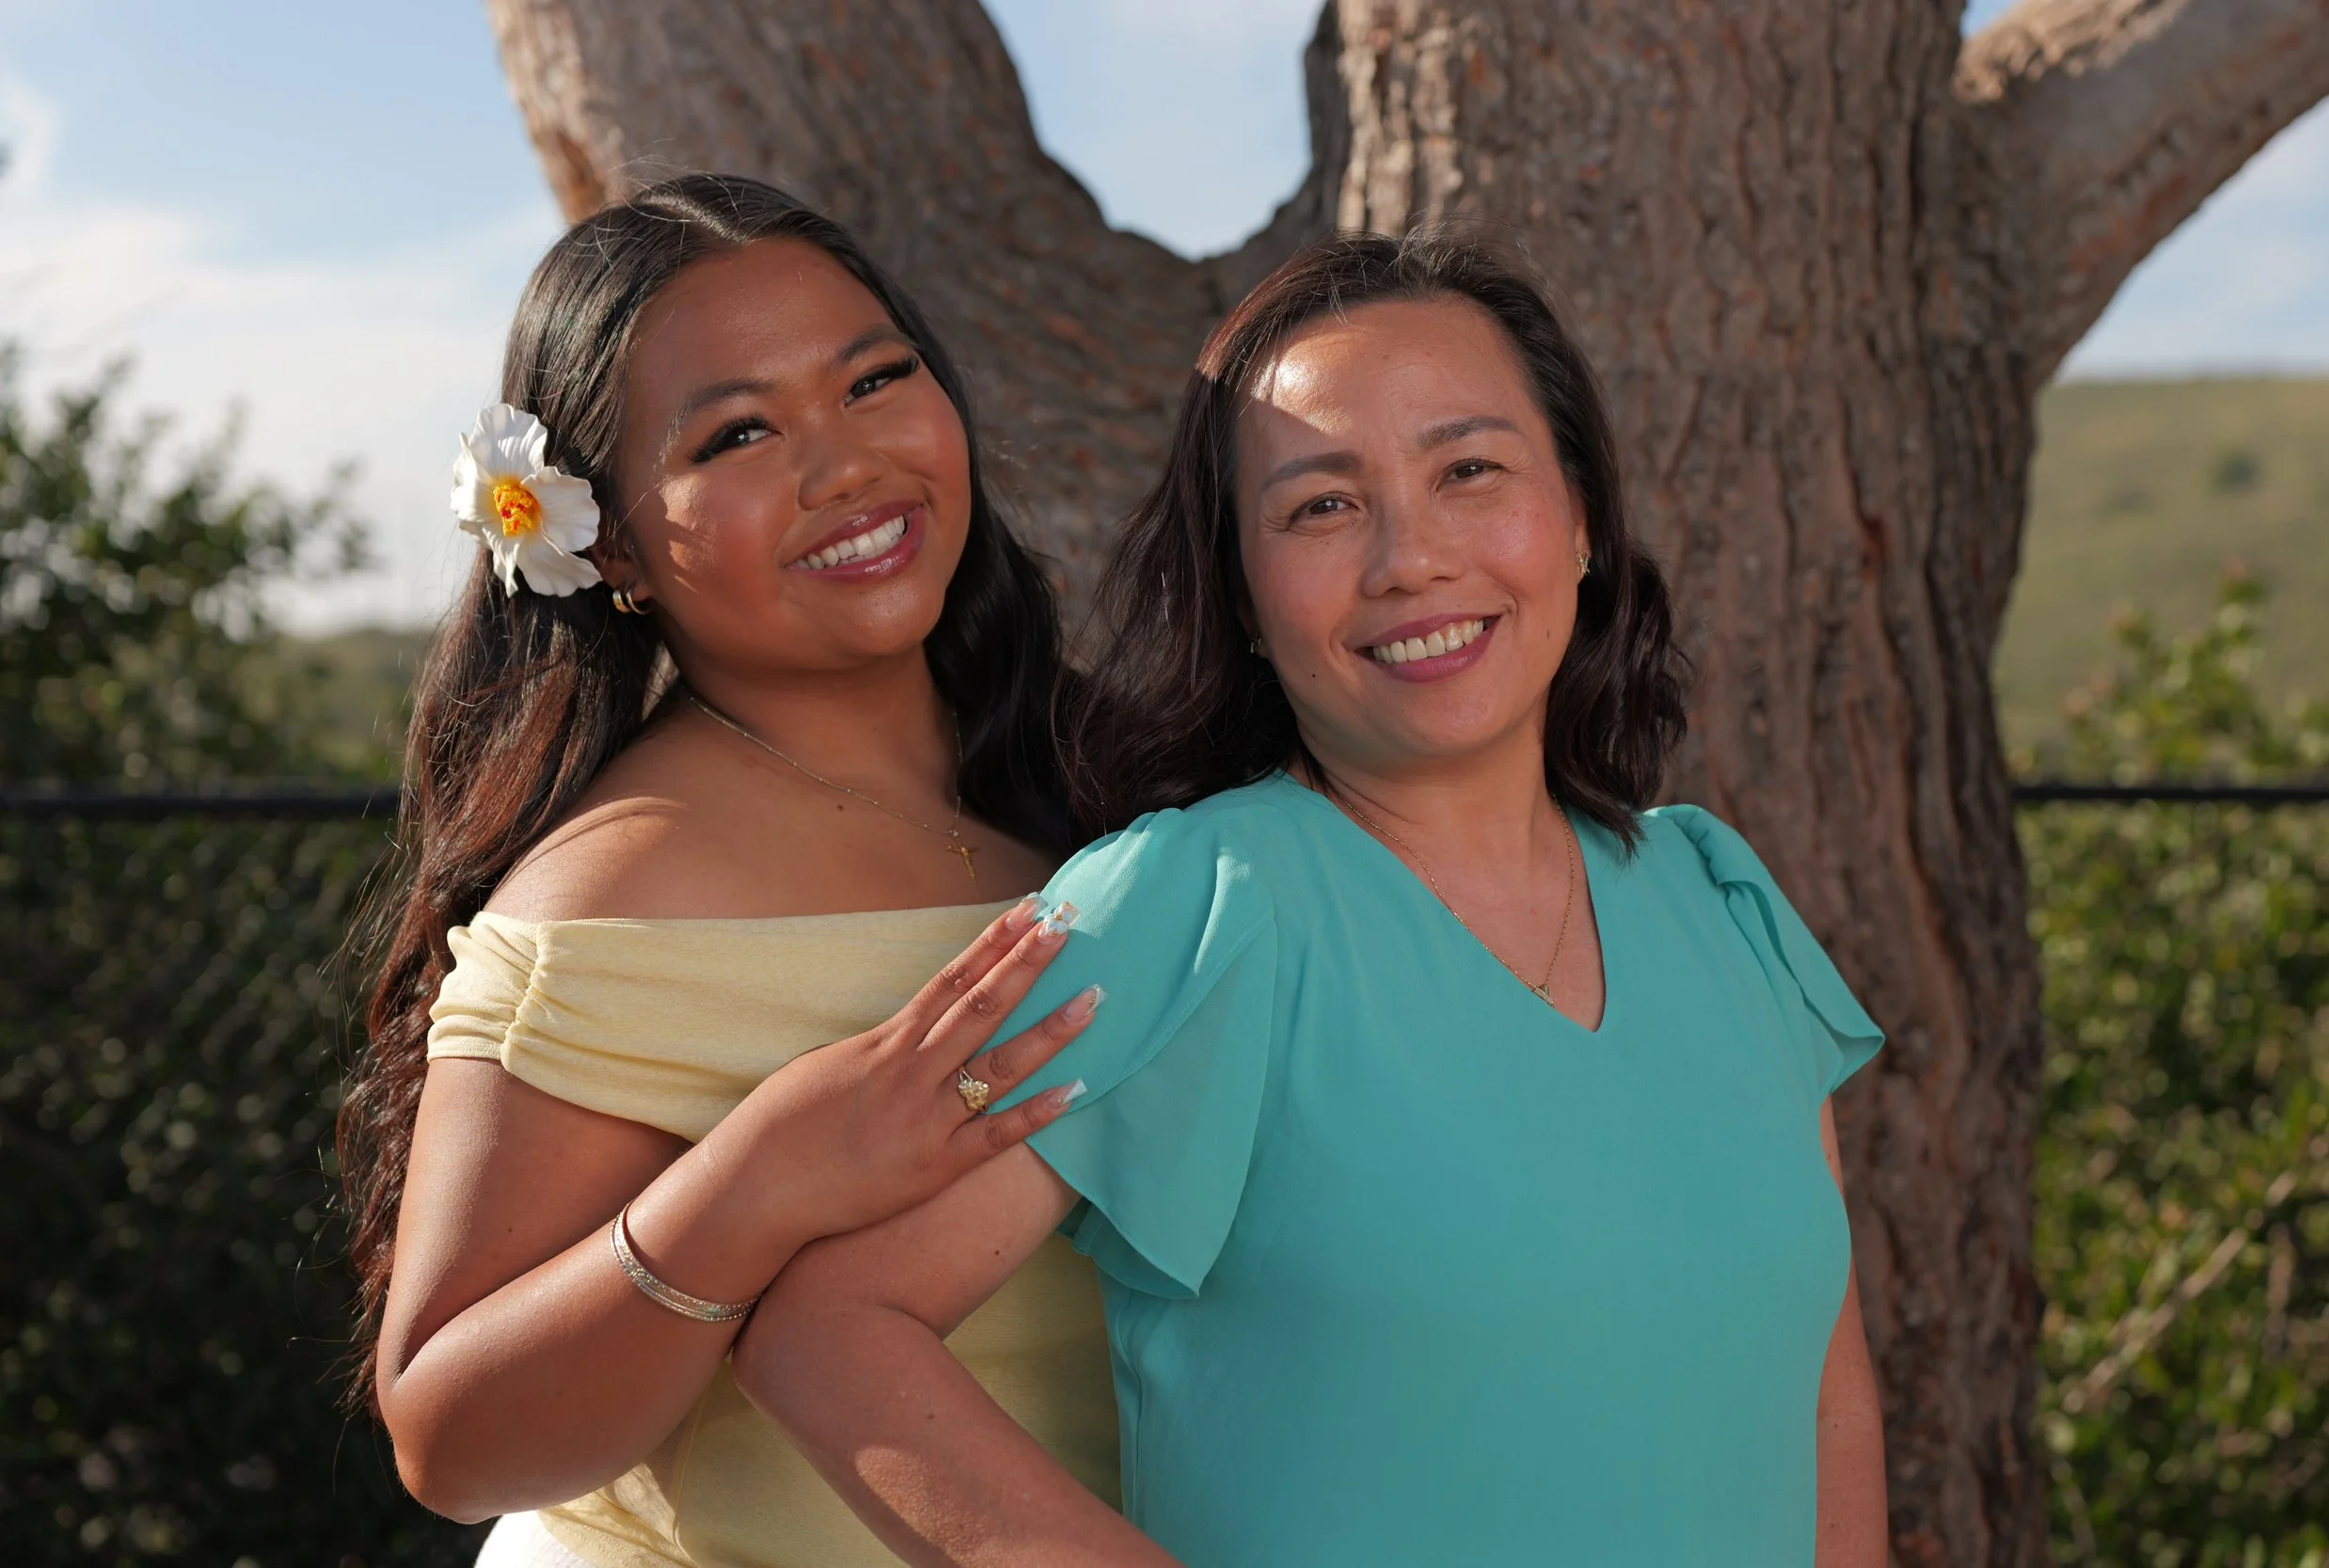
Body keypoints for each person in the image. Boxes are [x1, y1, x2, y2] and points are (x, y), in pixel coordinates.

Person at [743, 231, 1892, 1566]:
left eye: (1469, 469)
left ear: (1579, 516)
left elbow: (1827, 1395)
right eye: (1322, 506)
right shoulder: (1195, 906)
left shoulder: (1724, 902)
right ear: (1239, 589)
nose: (1409, 556)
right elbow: (827, 1331)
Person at [340, 173, 1119, 1568]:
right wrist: (758, 1180)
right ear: (615, 542)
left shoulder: (1106, 779)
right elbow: (449, 1443)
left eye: (875, 379)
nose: (846, 464)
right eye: (740, 432)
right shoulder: (614, 899)